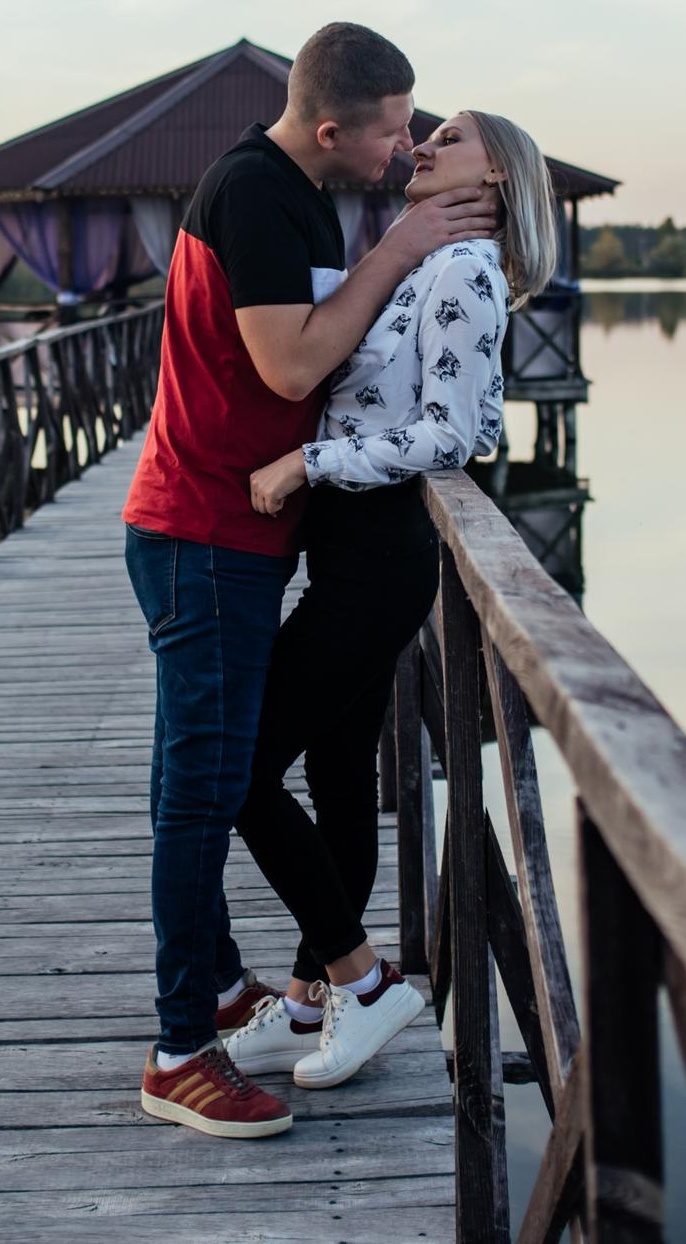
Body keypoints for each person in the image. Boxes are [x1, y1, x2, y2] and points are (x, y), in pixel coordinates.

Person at [123, 23, 496, 1139]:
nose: (406, 146)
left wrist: (412, 245)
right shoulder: (258, 191)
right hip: (205, 531)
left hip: (230, 533)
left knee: (211, 779)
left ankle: (241, 990)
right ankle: (181, 1049)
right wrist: (403, 245)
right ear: (331, 128)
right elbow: (292, 361)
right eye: (393, 130)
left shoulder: (293, 193)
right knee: (205, 790)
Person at [223, 109, 562, 1091]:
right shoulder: (428, 262)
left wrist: (306, 459)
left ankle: (363, 987)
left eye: (448, 137)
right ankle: (302, 1005)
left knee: (241, 769)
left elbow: (452, 439)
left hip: (377, 561)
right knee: (333, 784)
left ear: (496, 171)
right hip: (354, 555)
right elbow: (482, 410)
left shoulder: (462, 272)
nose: (421, 142)